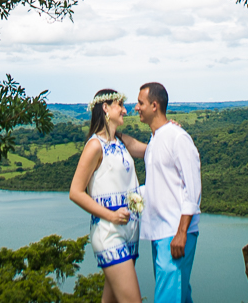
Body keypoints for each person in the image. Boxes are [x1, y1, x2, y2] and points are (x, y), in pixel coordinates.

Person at [121, 81, 201, 303]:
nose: (136, 107)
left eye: (140, 103)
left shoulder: (178, 138)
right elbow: (156, 185)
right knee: (180, 296)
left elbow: (192, 188)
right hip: (160, 234)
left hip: (175, 233)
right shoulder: (156, 139)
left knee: (168, 297)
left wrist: (182, 232)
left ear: (154, 105)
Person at [69, 88, 142, 303]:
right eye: (120, 105)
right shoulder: (94, 145)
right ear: (105, 108)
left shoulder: (121, 141)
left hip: (130, 230)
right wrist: (110, 216)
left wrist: (168, 131)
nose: (125, 111)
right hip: (109, 232)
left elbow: (151, 150)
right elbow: (75, 192)